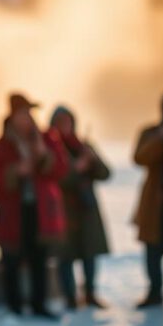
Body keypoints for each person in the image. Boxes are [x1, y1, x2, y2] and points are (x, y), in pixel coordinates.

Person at [0, 93, 67, 320]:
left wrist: (44, 156)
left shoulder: (44, 140)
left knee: (39, 257)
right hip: (13, 210)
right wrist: (14, 172)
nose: (27, 118)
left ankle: (39, 304)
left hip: (40, 210)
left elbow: (60, 169)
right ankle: (14, 306)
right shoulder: (1, 145)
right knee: (11, 257)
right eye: (22, 113)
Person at [48, 106, 111, 310]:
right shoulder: (51, 148)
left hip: (87, 209)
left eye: (67, 122)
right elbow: (56, 177)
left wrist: (91, 159)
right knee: (65, 256)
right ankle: (70, 296)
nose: (64, 126)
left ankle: (90, 293)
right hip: (63, 210)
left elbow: (105, 173)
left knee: (89, 253)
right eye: (60, 122)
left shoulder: (83, 145)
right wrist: (77, 169)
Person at [133, 91, 163, 309]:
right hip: (156, 205)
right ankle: (154, 291)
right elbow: (140, 157)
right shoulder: (150, 133)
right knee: (153, 250)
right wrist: (162, 137)